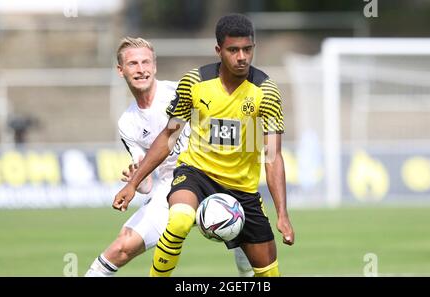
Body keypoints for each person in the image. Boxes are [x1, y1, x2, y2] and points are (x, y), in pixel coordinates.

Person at [113, 14, 295, 277]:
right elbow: (169, 136)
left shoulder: (265, 91)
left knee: (268, 274)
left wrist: (282, 213)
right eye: (233, 50)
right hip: (196, 174)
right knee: (179, 220)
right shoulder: (195, 83)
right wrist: (133, 183)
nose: (242, 56)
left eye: (248, 49)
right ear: (219, 50)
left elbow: (272, 156)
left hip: (242, 188)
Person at [85, 36, 253, 277]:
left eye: (146, 62)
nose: (141, 70)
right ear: (120, 70)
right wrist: (137, 179)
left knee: (249, 246)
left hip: (215, 176)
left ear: (155, 66)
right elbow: (146, 182)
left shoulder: (180, 91)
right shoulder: (127, 123)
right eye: (133, 64)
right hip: (170, 189)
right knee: (121, 247)